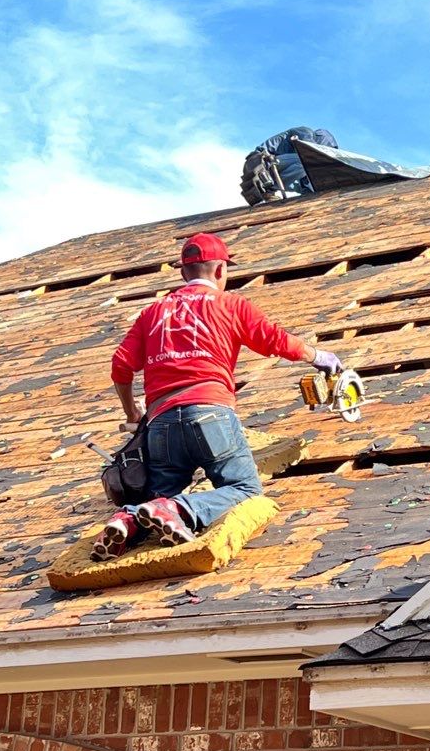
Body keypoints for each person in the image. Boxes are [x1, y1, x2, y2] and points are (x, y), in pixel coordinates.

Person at [91, 232, 343, 561]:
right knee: (245, 489)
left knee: (157, 493)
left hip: (161, 424)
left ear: (183, 273)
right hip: (210, 413)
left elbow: (121, 366)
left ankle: (127, 520)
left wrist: (132, 414)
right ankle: (177, 509)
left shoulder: (154, 312)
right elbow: (277, 342)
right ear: (221, 271)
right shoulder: (231, 305)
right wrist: (319, 356)